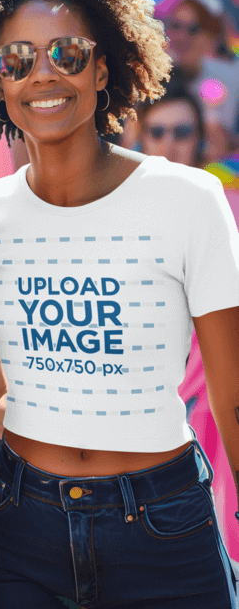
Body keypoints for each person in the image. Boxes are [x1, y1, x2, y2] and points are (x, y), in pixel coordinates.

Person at [0, 0, 239, 608]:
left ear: (104, 68)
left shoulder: (187, 200)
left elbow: (231, 393)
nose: (43, 74)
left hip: (164, 526)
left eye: (67, 54)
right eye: (17, 60)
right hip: (22, 526)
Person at [136, 83, 239, 563]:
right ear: (141, 136)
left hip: (216, 406)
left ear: (202, 138)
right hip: (146, 414)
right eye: (159, 131)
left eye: (184, 131)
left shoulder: (229, 205)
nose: (172, 143)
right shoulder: (122, 211)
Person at [164, 0, 239, 154]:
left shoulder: (227, 77)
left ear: (211, 36)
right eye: (175, 26)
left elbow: (219, 149)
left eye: (193, 29)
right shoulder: (150, 77)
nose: (182, 36)